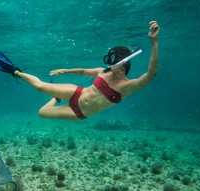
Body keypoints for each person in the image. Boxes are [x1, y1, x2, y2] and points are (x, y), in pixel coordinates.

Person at [11, 21, 160, 121]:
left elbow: (151, 75)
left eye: (112, 63)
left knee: (42, 112)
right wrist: (66, 70)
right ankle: (15, 71)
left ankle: (55, 98)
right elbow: (83, 71)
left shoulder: (127, 86)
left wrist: (154, 42)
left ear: (122, 66)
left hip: (78, 113)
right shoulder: (104, 71)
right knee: (40, 87)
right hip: (76, 92)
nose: (109, 66)